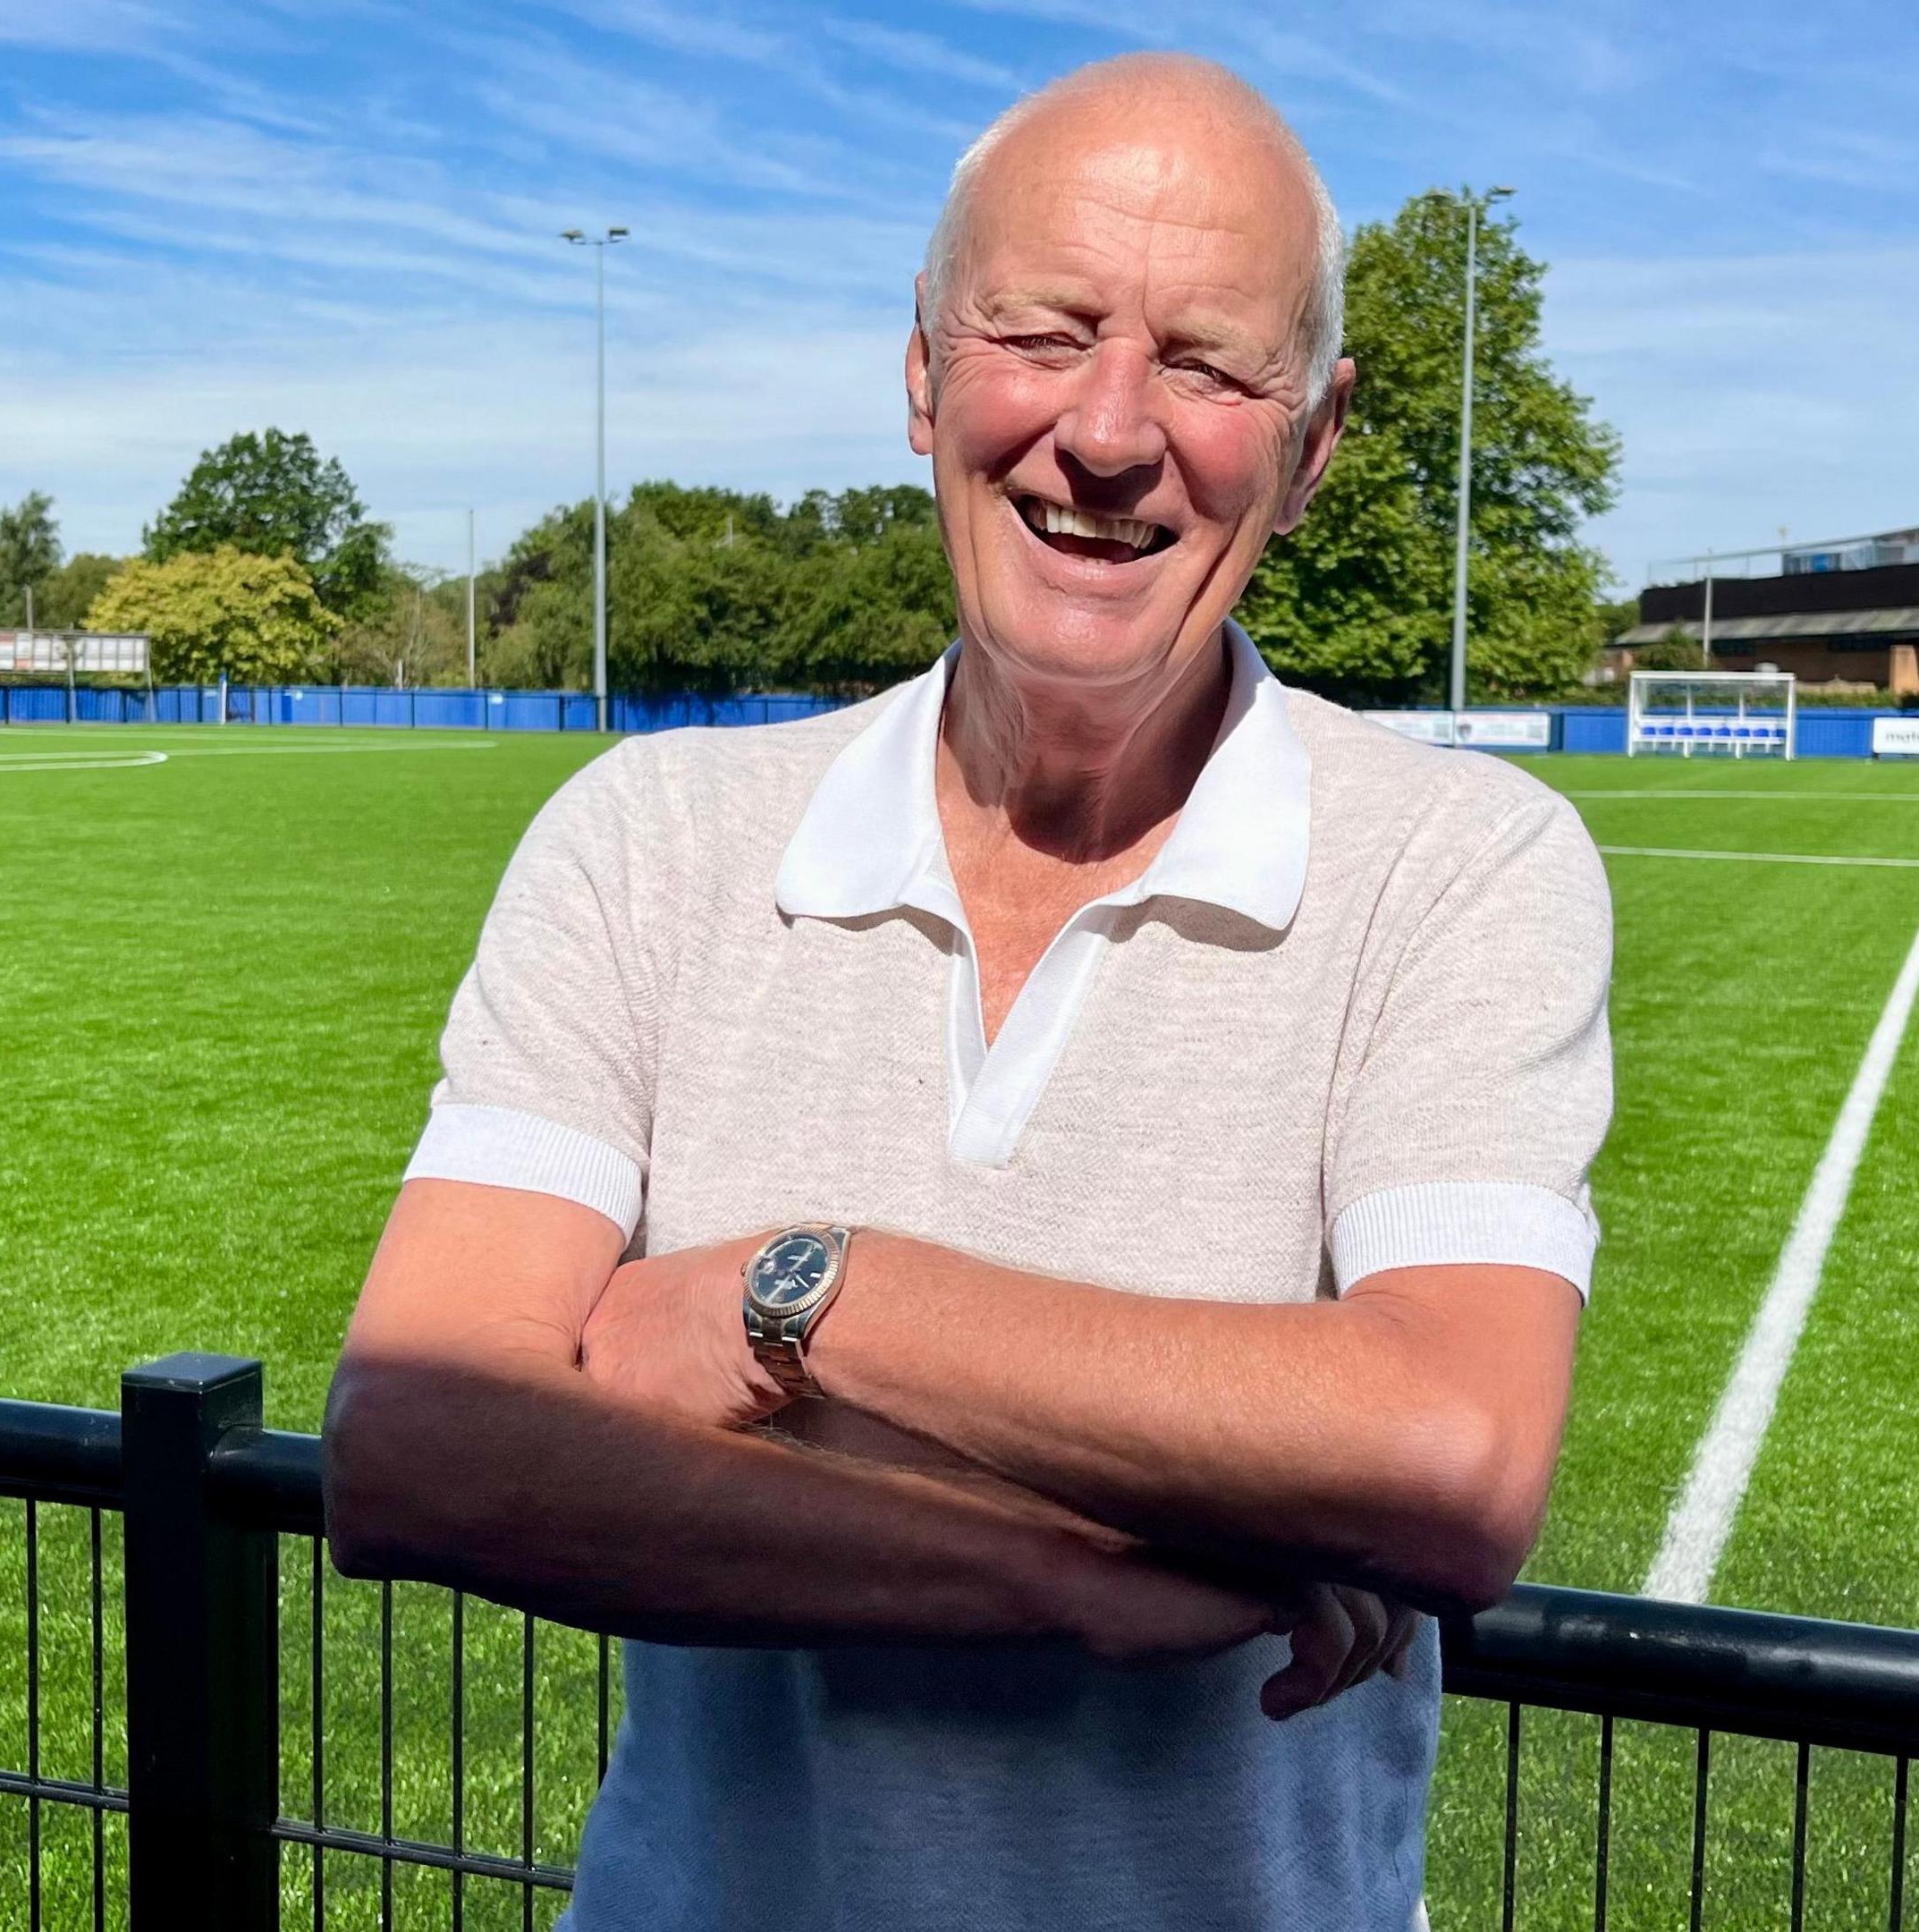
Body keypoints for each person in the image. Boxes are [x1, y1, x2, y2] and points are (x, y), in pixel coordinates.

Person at [325, 51, 1614, 1932]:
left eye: (1205, 363)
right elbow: (423, 1441)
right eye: (1044, 329)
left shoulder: (1462, 862)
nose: (1106, 432)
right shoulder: (651, 835)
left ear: (1316, 440)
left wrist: (810, 1298)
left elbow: (1452, 1454)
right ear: (924, 375)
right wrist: (1067, 1561)